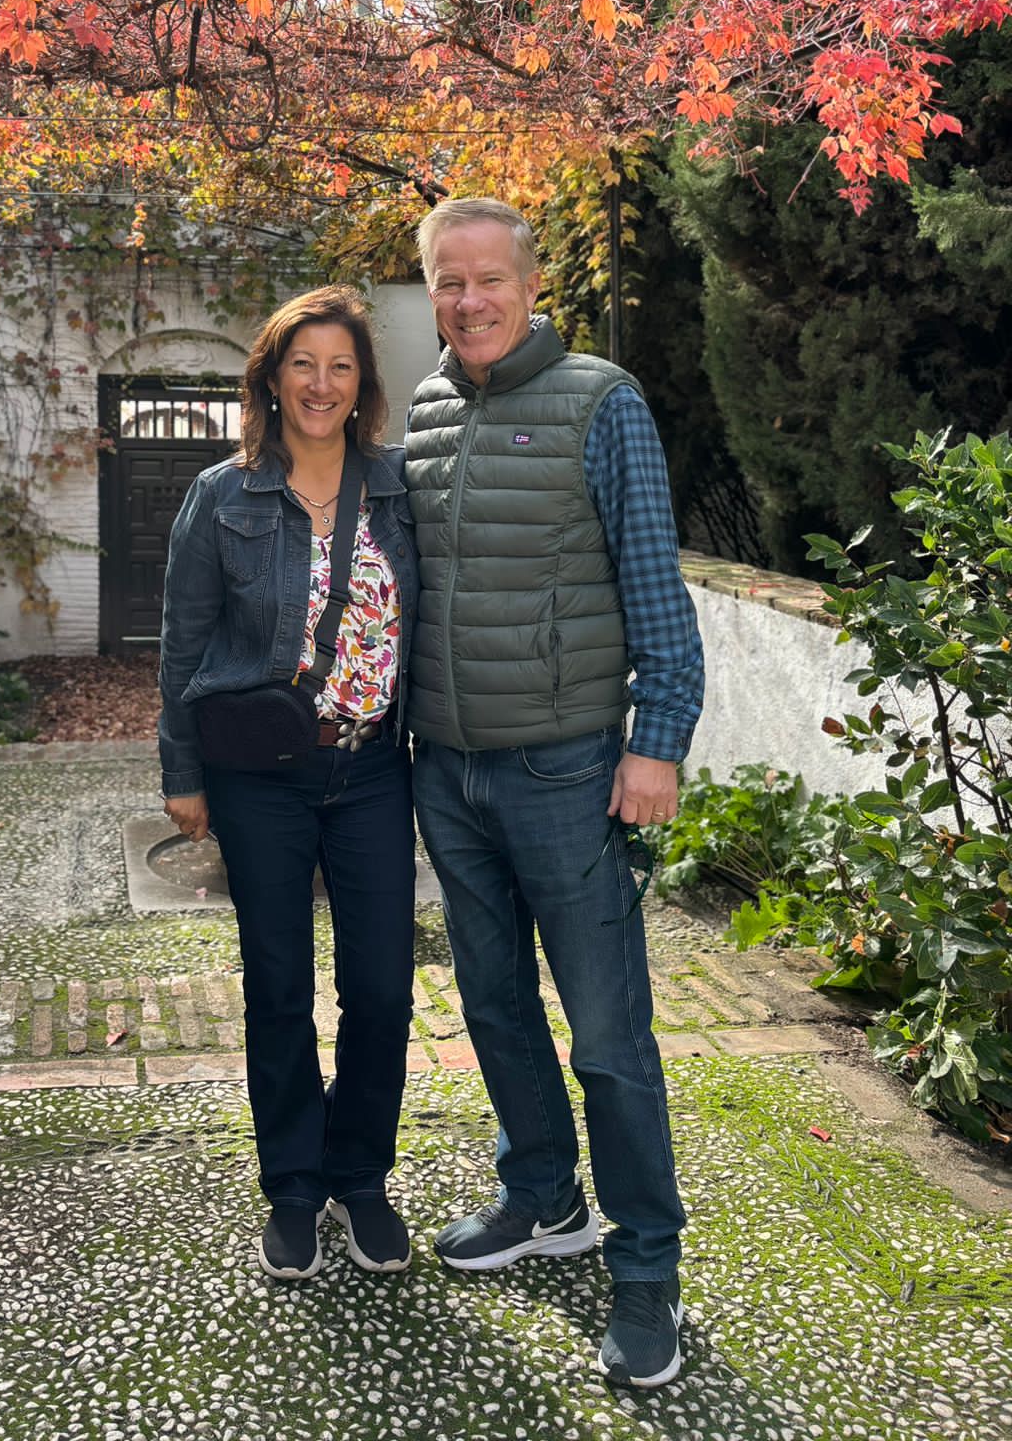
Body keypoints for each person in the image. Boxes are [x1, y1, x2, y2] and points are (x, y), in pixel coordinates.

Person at [403, 197, 704, 1390]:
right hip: (448, 768)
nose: (468, 299)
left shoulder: (601, 399)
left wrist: (657, 739)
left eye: (489, 277)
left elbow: (655, 586)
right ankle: (542, 1195)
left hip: (568, 769)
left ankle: (647, 1269)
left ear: (532, 285)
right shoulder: (426, 411)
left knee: (609, 1034)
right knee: (492, 1004)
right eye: (448, 279)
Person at [159, 286, 422, 1281]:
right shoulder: (220, 495)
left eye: (340, 365)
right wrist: (181, 772)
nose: (321, 383)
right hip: (259, 777)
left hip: (373, 769)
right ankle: (296, 1189)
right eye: (303, 363)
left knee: (381, 989)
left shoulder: (396, 488)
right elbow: (182, 641)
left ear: (363, 383)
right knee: (278, 988)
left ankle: (361, 1176)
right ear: (271, 377)